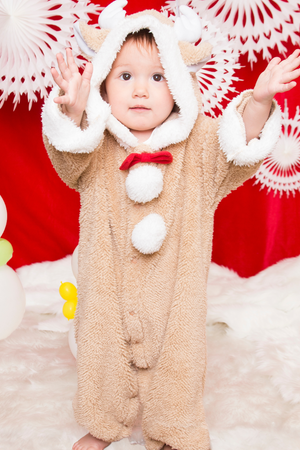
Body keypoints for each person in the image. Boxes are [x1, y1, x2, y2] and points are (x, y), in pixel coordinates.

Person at [41, 2, 300, 450]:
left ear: (179, 84)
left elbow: (237, 143)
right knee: (101, 349)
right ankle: (102, 423)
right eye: (125, 76)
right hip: (108, 281)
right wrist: (73, 114)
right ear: (103, 82)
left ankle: (171, 427)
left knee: (179, 359)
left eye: (158, 77)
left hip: (174, 287)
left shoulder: (198, 145)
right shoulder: (96, 141)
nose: (141, 90)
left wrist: (258, 103)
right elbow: (67, 157)